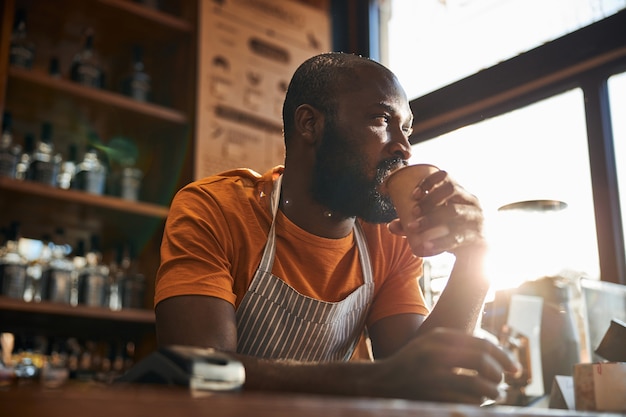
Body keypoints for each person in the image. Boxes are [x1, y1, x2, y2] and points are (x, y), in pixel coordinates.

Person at [154, 52, 520, 404]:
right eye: (381, 120)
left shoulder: (390, 240)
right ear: (310, 124)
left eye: (407, 128)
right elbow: (197, 371)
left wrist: (476, 258)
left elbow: (424, 377)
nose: (404, 147)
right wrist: (381, 379)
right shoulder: (216, 208)